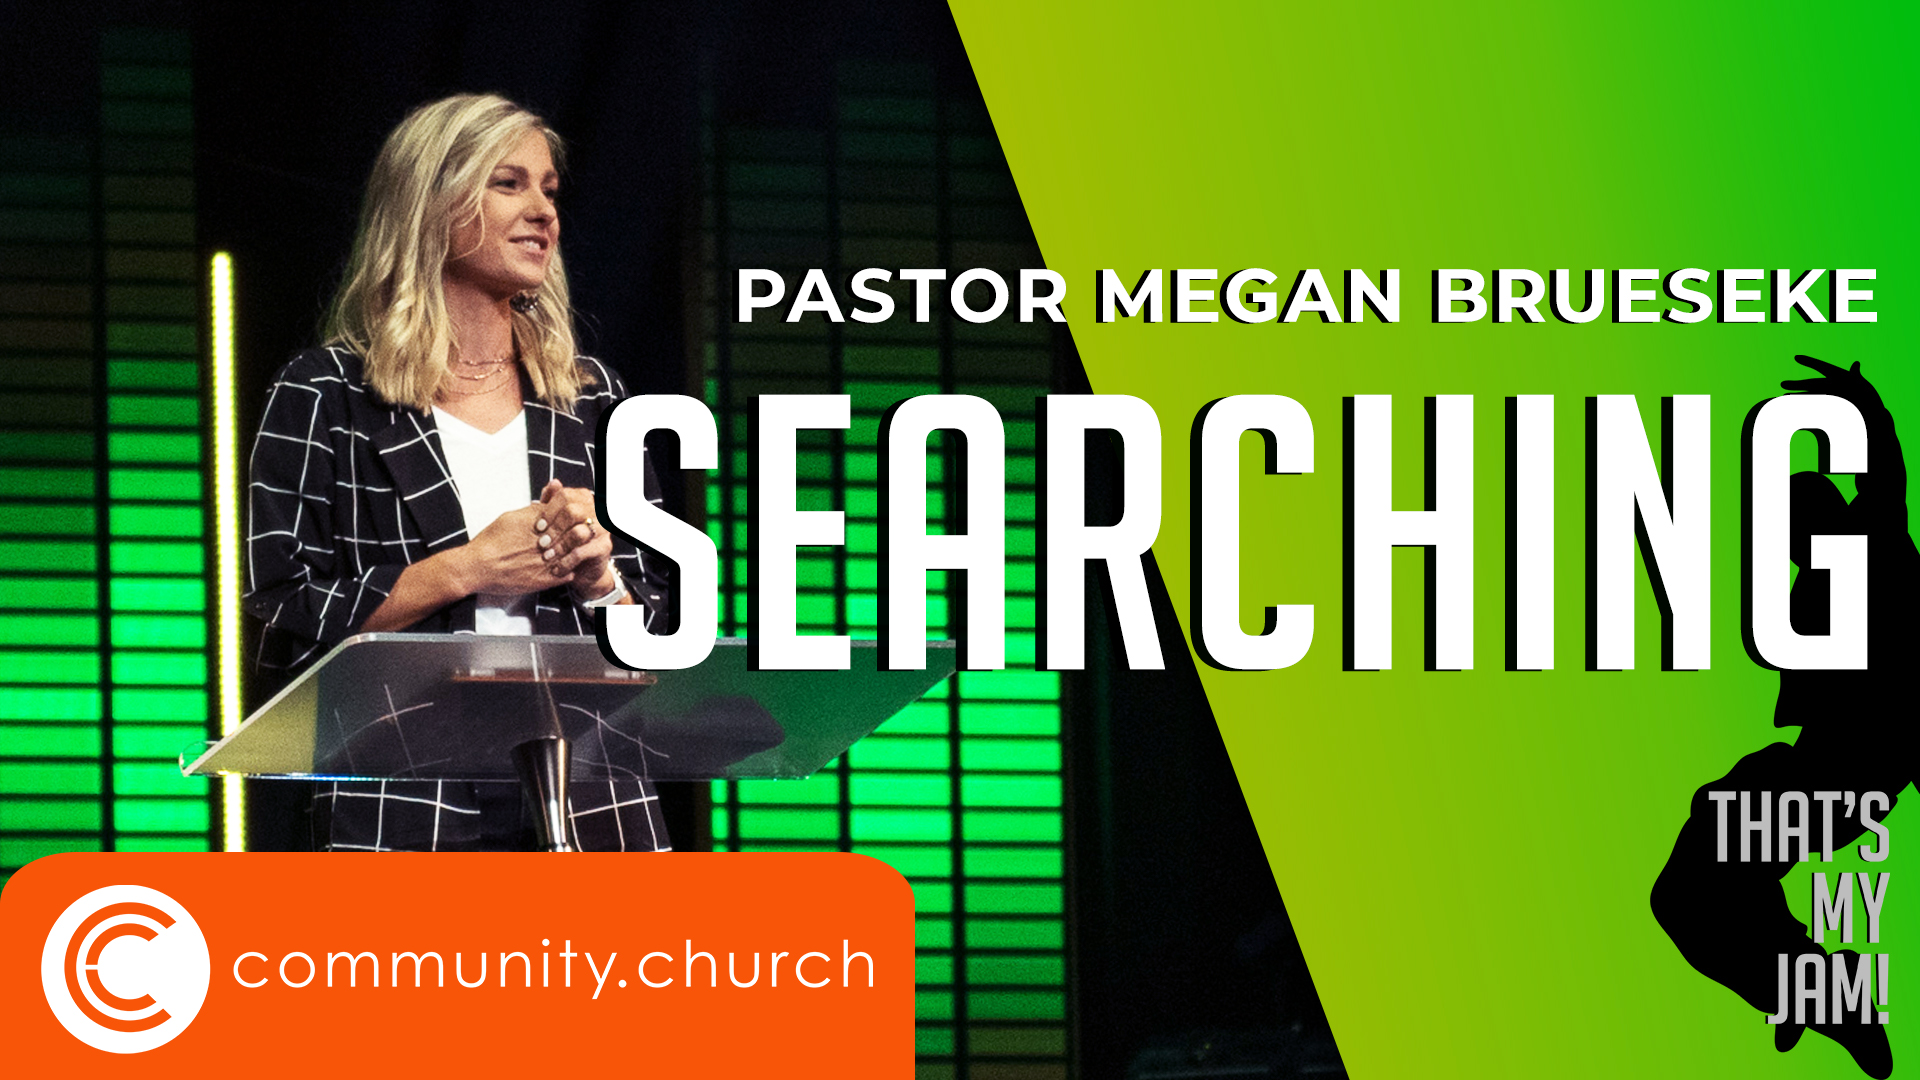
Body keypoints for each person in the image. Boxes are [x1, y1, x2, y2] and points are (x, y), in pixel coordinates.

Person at [244, 93, 672, 852]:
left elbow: (663, 630)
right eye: (508, 183)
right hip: (401, 808)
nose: (543, 211)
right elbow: (282, 616)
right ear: (430, 204)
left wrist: (599, 578)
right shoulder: (327, 393)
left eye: (549, 190)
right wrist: (468, 568)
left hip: (592, 806)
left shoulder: (592, 396)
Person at [1650, 356, 1910, 1079]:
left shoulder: (1872, 551)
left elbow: (1883, 484)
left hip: (1843, 773)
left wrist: (1864, 409)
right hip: (1818, 766)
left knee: (1687, 894)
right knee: (1706, 872)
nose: (1788, 548)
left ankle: (1823, 993)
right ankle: (1802, 972)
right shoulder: (1821, 578)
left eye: (1794, 529)